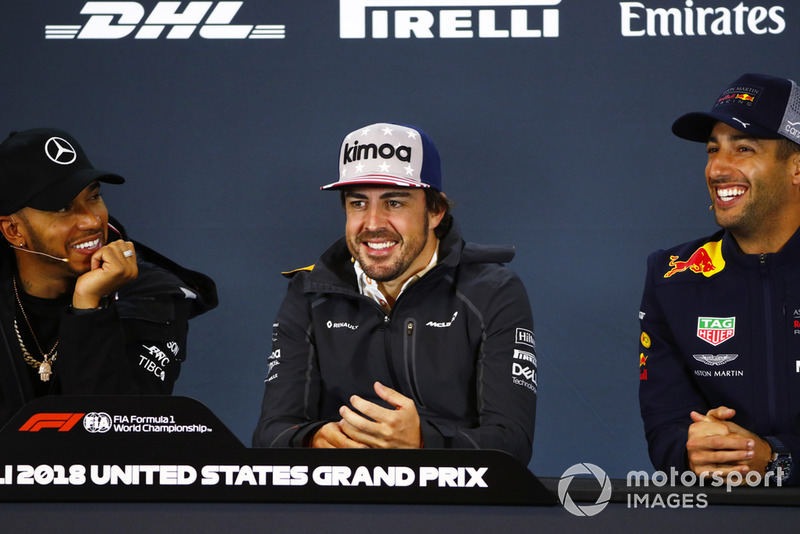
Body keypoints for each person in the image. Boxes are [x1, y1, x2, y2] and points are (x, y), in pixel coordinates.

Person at [253, 122, 536, 464]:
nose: (372, 223)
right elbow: (270, 435)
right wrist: (311, 440)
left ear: (435, 211)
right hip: (341, 508)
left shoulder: (493, 292)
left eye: (395, 203)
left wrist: (421, 442)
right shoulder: (310, 294)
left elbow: (513, 445)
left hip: (455, 509)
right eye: (358, 203)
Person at [639, 73, 800, 486]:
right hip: (726, 513)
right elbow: (666, 428)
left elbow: (771, 460)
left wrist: (777, 459)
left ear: (796, 167)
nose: (717, 168)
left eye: (743, 148)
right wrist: (696, 448)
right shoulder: (673, 275)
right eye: (713, 150)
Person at [0, 127, 218, 428]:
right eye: (63, 208)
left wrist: (88, 309)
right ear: (13, 231)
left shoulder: (153, 294)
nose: (92, 220)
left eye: (94, 197)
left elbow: (120, 437)